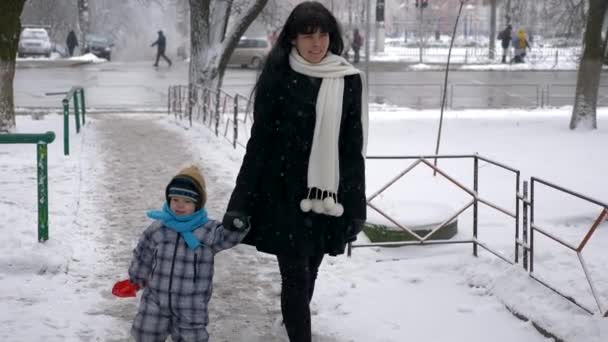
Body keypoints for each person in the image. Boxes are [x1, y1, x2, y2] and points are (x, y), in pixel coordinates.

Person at [224, 2, 368, 341]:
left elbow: (350, 150)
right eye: (308, 36)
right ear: (292, 38)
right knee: (295, 276)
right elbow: (259, 144)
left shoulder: (346, 79)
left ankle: (292, 323)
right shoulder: (278, 75)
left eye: (323, 35)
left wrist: (356, 205)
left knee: (311, 268)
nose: (316, 43)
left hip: (326, 193)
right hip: (282, 192)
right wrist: (240, 202)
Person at [112, 165, 250, 342]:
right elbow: (143, 255)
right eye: (175, 199)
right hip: (155, 299)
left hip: (190, 305)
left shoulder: (208, 231)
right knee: (144, 334)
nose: (179, 205)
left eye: (187, 201)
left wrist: (237, 226)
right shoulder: (158, 229)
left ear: (197, 204)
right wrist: (135, 280)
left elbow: (227, 238)